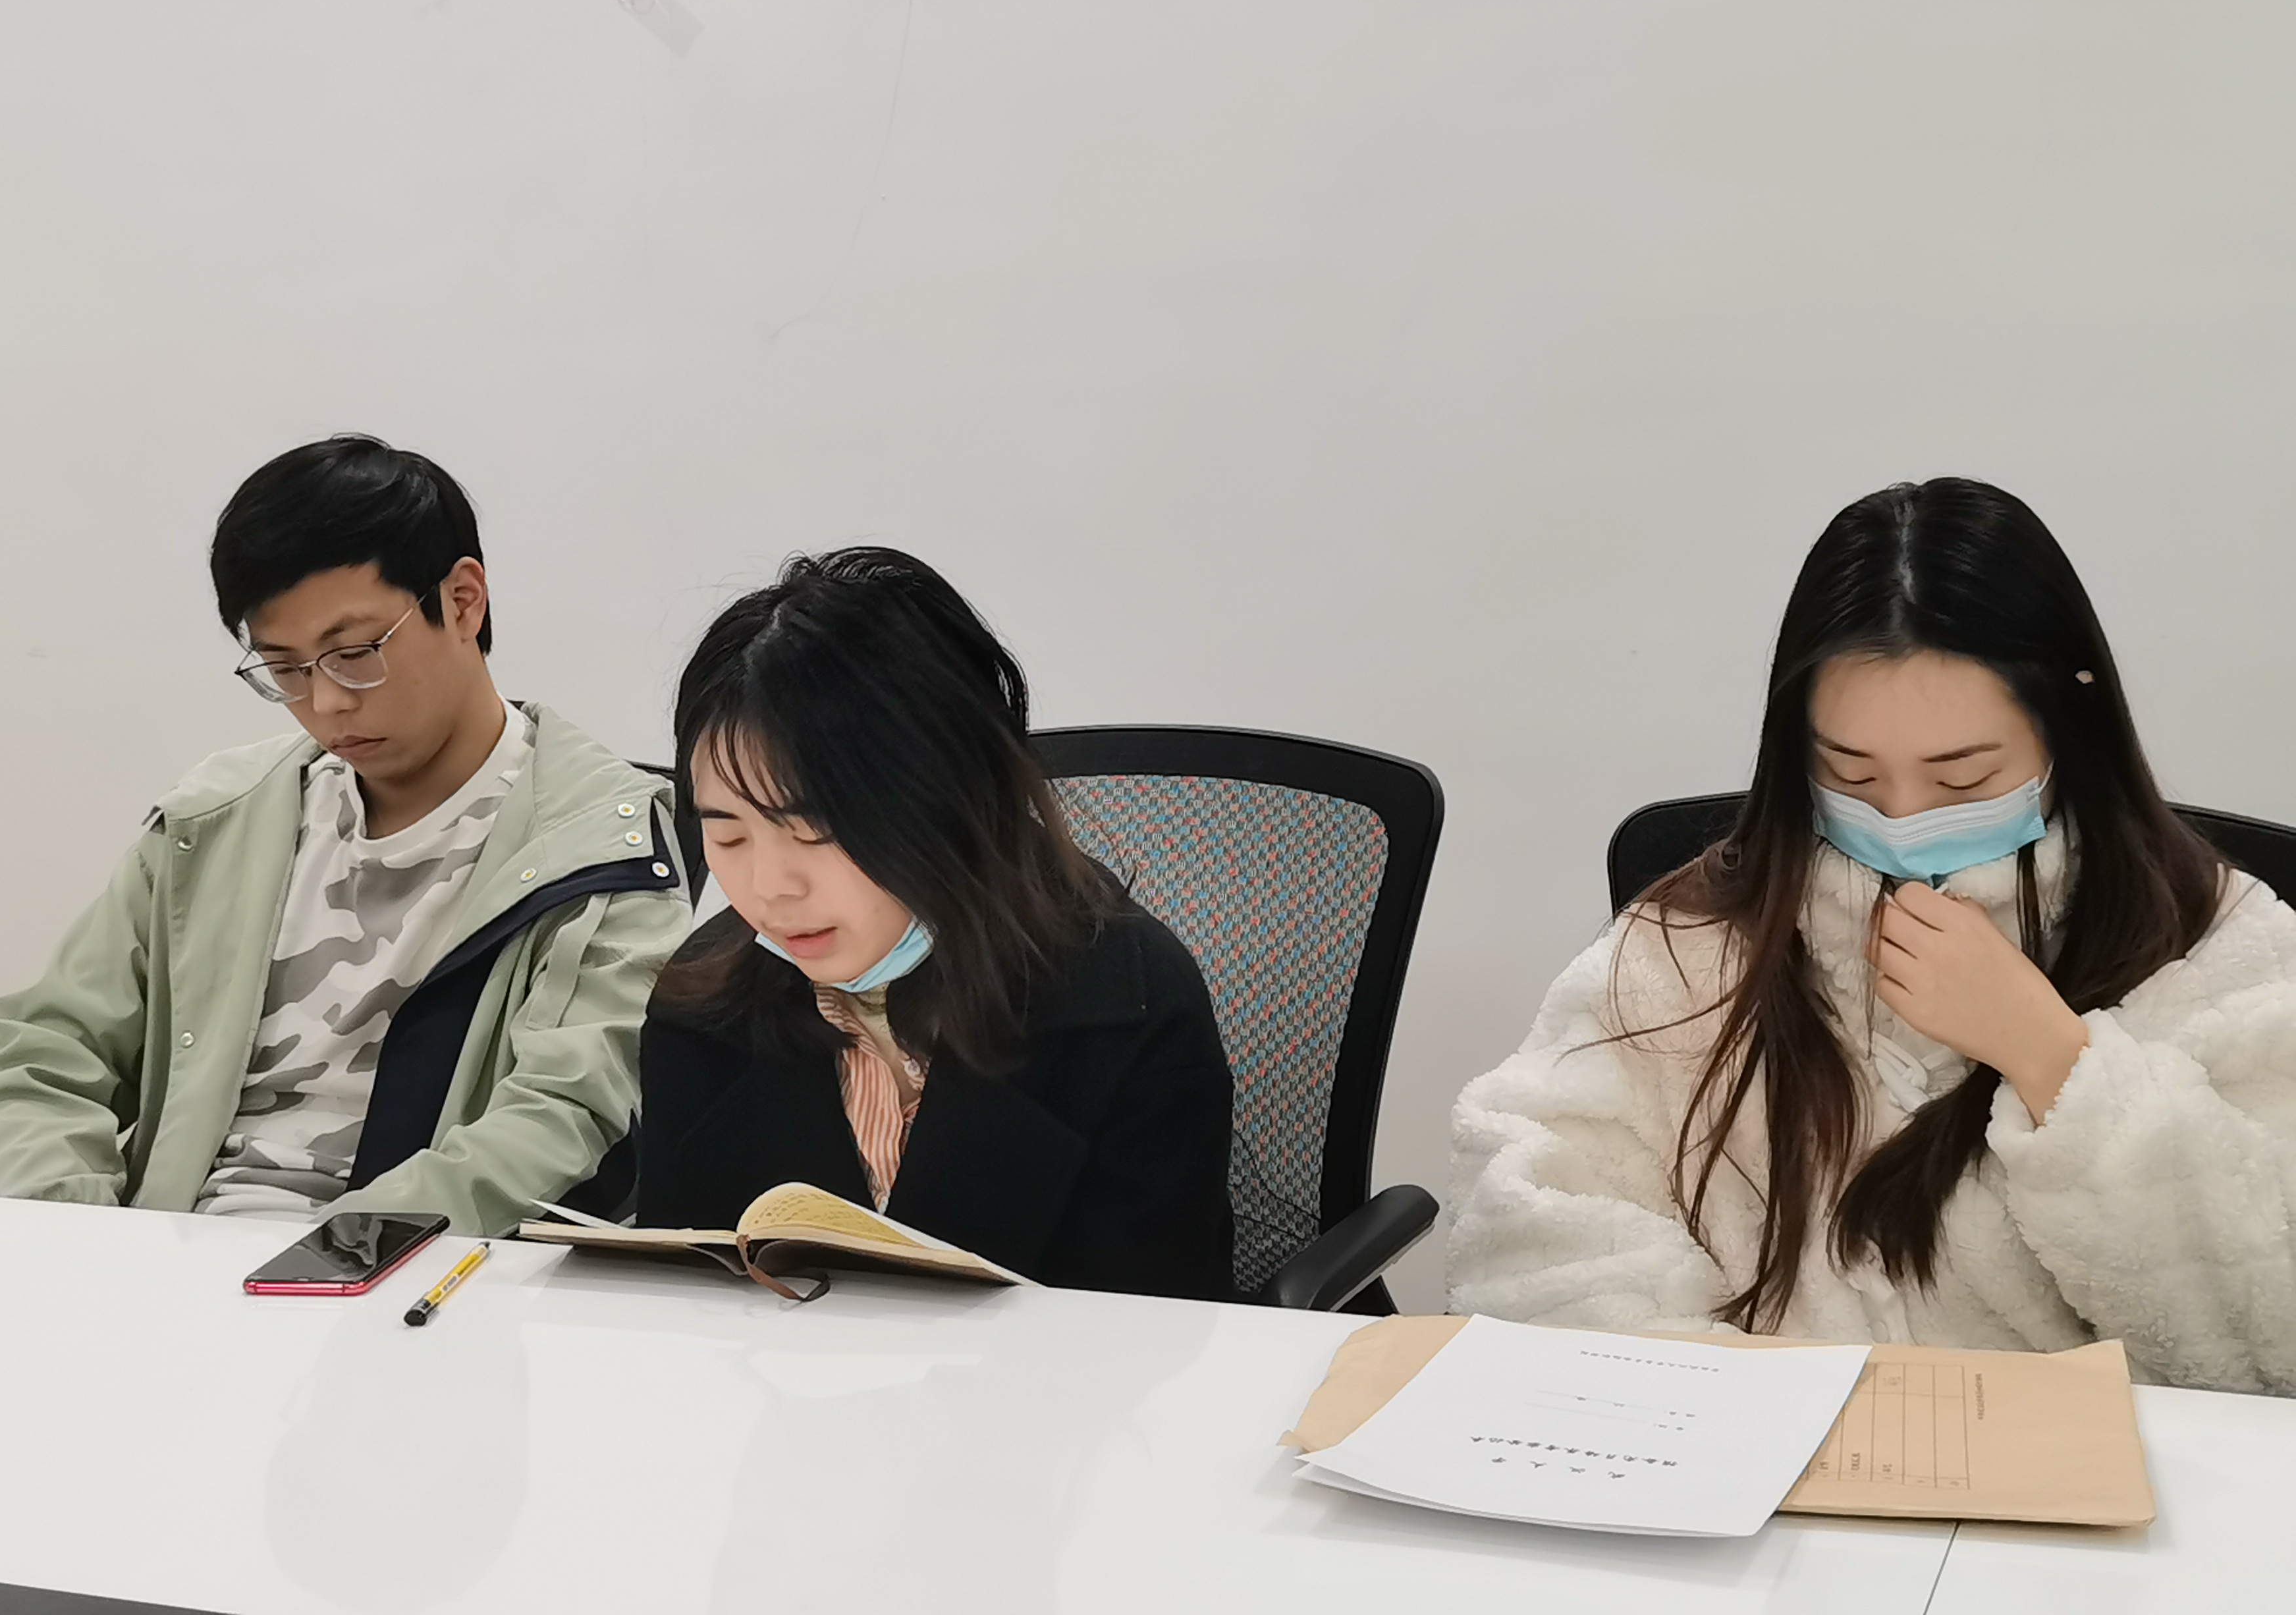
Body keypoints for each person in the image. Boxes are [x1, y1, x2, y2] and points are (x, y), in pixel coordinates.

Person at [1447, 478, 2296, 1393]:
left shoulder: (2212, 941)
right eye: (1850, 776)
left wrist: (2053, 1058)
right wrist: (1708, 1403)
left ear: (2069, 735)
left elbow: (2266, 1338)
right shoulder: (1694, 941)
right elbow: (1532, 1224)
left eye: (1964, 781)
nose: (1902, 818)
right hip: (1758, 1462)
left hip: (2065, 1475)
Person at [0, 437, 693, 1234]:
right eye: (286, 669)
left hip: (408, 1272)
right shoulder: (214, 821)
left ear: (463, 600)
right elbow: (44, 1055)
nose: (327, 702)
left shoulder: (605, 843)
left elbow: (564, 1117)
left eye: (355, 654)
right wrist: (70, 1235)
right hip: (159, 1261)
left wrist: (337, 1262)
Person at [637, 547, 1236, 1300]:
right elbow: (677, 1311)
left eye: (816, 830)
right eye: (728, 837)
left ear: (947, 798)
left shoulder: (1130, 1001)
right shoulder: (701, 1006)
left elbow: (1155, 1326)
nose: (768, 888)